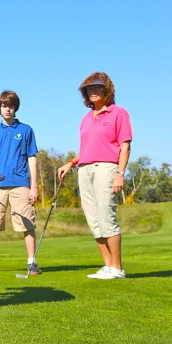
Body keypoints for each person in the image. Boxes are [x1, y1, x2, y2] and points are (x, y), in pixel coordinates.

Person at [57, 72, 132, 279]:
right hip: (85, 169)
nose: (92, 92)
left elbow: (125, 146)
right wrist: (71, 162)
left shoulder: (119, 113)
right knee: (93, 219)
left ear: (107, 90)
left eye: (96, 87)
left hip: (107, 167)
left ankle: (117, 268)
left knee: (106, 215)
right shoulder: (86, 118)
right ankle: (107, 266)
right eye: (88, 89)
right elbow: (89, 148)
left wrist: (120, 173)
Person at [0, 90, 40, 275]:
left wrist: (34, 186)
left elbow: (32, 158)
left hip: (21, 184)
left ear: (16, 108)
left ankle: (31, 262)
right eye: (4, 106)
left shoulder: (26, 130)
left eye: (11, 106)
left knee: (27, 223)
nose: (8, 109)